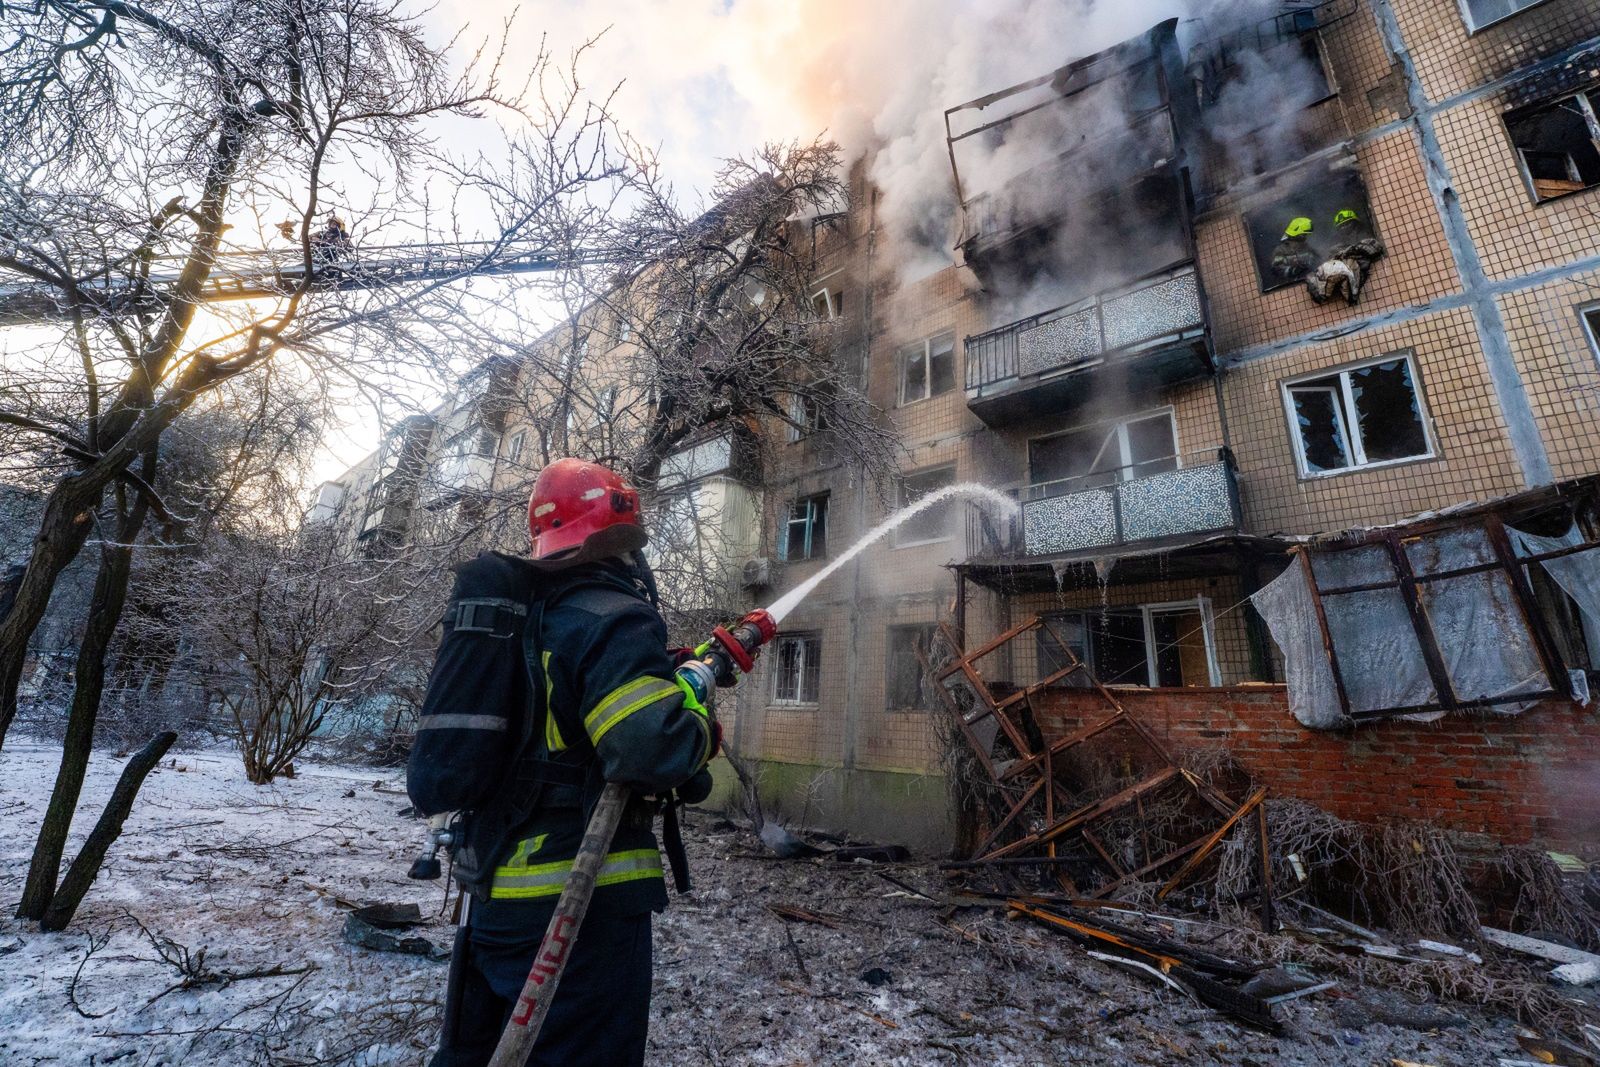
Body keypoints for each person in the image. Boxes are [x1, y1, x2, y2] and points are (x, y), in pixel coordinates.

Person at [408, 458, 720, 1067]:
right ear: (619, 530)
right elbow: (648, 747)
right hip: (579, 909)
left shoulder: (531, 618)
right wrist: (700, 720)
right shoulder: (613, 615)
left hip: (496, 894)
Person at [1305, 208, 1386, 306]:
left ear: (1355, 223)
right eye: (1341, 226)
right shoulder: (1337, 244)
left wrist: (1351, 251)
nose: (1345, 228)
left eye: (1347, 224)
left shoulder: (1366, 235)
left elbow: (1374, 247)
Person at [1269, 215, 1317, 283]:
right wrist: (1294, 270)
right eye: (1304, 235)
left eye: (1306, 235)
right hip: (1292, 285)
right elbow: (1276, 270)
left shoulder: (1307, 248)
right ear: (1297, 234)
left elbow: (1318, 261)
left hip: (1310, 281)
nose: (1305, 237)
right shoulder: (1281, 250)